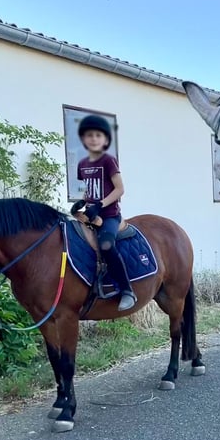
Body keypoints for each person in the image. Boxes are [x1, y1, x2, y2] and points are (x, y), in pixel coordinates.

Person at [75, 114, 136, 311]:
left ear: (105, 140)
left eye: (98, 135)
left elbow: (120, 189)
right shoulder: (82, 164)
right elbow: (89, 188)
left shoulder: (109, 161)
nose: (94, 138)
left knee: (106, 245)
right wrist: (82, 202)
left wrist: (100, 205)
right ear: (84, 139)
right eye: (89, 135)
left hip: (109, 215)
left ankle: (127, 290)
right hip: (90, 214)